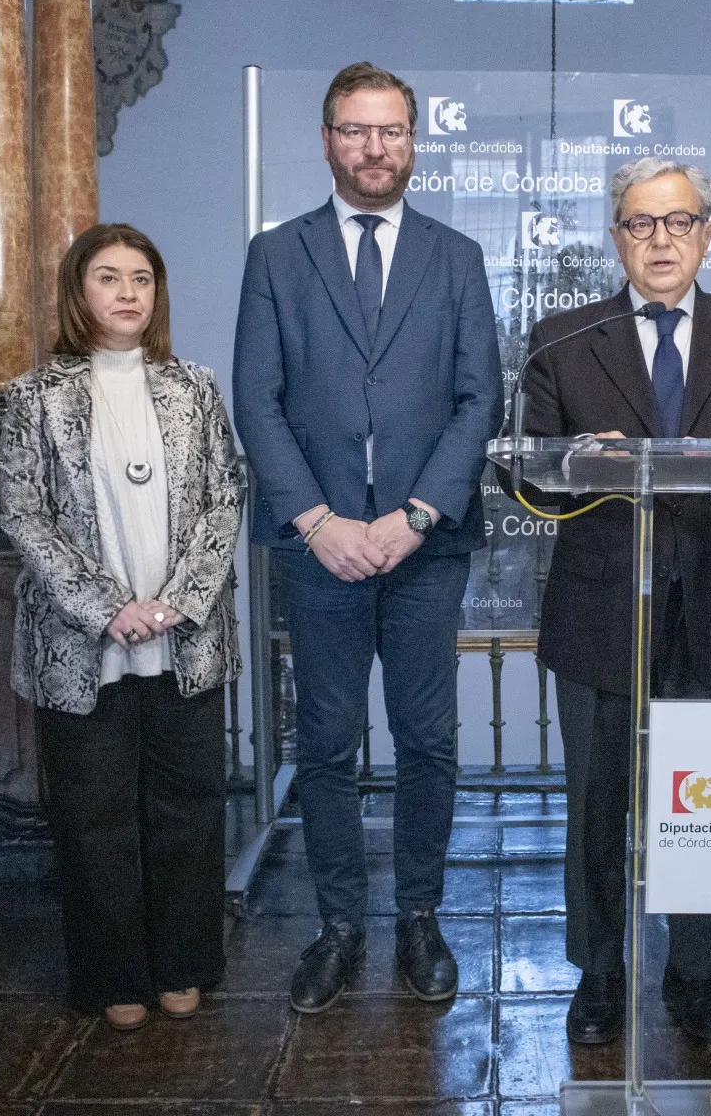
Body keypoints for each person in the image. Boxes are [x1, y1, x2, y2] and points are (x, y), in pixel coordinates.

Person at [233, 62, 503, 1014]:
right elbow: (256, 402)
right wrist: (317, 521)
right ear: (326, 140)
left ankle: (421, 917)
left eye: (391, 130)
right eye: (356, 130)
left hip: (425, 545)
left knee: (429, 740)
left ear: (414, 140)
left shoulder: (457, 256)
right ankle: (339, 924)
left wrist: (416, 514)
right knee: (329, 742)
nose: (375, 147)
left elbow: (480, 399)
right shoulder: (278, 256)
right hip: (322, 548)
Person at [520, 158, 711, 1046]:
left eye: (678, 222)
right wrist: (577, 461)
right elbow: (525, 472)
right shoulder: (563, 337)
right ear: (616, 236)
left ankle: (694, 976)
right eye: (641, 224)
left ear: (709, 232)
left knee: (699, 804)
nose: (660, 240)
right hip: (603, 608)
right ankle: (599, 973)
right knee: (599, 807)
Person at [0, 223, 244, 1031]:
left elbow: (225, 498)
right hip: (83, 647)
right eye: (109, 277)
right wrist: (110, 607)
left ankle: (183, 965)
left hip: (184, 640)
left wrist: (172, 602)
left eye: (142, 278)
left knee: (187, 807)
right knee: (95, 816)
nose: (129, 292)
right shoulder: (36, 395)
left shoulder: (194, 388)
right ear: (79, 292)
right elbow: (25, 517)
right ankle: (114, 977)